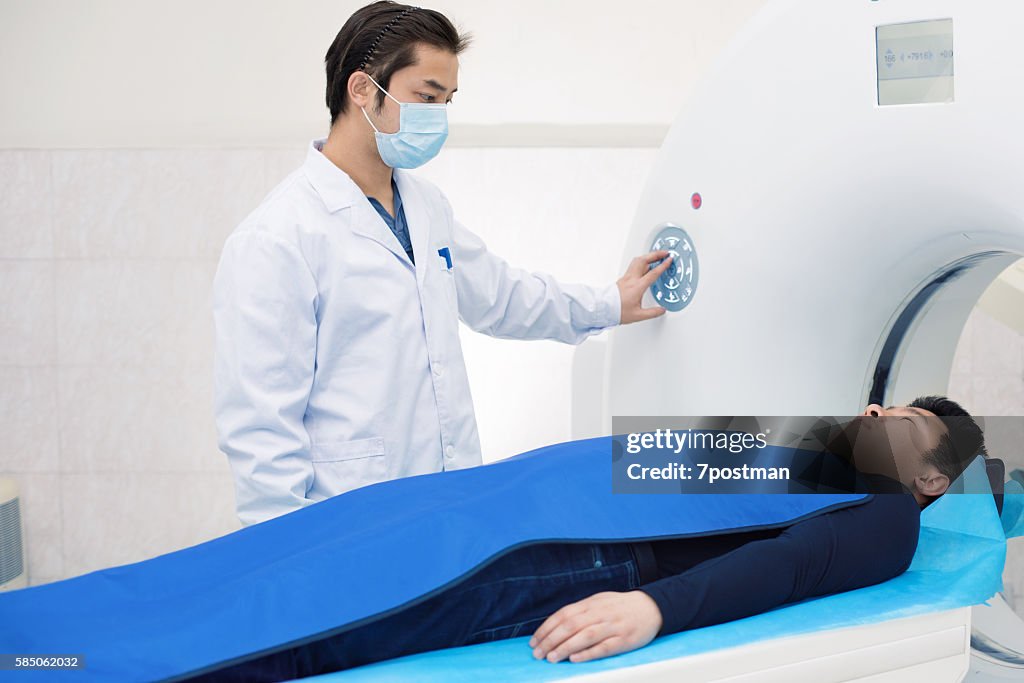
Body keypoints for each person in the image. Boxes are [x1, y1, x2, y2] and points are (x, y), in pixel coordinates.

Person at [212, 1, 674, 528]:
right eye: (426, 97)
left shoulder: (425, 206)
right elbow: (260, 428)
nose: (438, 116)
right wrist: (288, 557)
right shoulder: (277, 238)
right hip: (345, 520)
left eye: (447, 100)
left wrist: (611, 302)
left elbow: (501, 297)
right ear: (362, 89)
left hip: (446, 500)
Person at [185, 395, 987, 682]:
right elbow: (652, 460)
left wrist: (653, 609)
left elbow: (783, 566)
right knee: (331, 562)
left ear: (932, 484)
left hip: (580, 558)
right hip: (525, 510)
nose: (879, 415)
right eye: (886, 407)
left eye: (908, 424)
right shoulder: (808, 452)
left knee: (339, 620)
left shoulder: (888, 516)